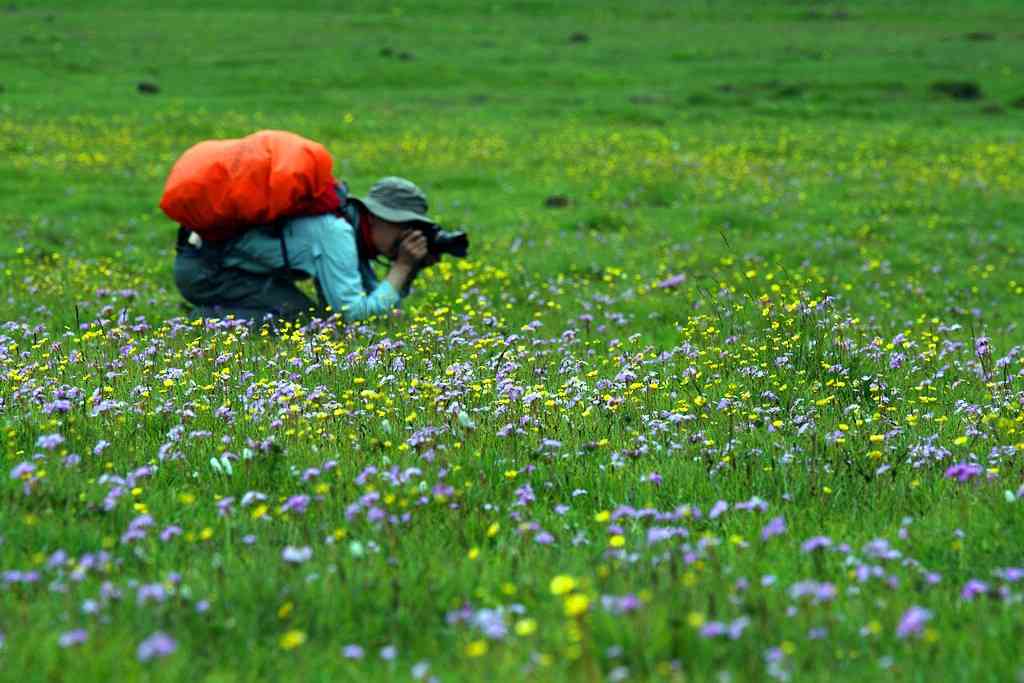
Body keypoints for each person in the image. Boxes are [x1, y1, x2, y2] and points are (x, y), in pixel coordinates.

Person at [173, 176, 439, 323]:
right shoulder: (337, 233)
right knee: (302, 319)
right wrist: (401, 267)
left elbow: (384, 311)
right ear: (379, 216)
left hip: (207, 261)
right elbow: (352, 315)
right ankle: (206, 320)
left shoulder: (349, 224)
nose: (408, 236)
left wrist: (409, 269)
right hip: (206, 269)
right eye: (405, 226)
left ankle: (216, 314)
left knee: (311, 317)